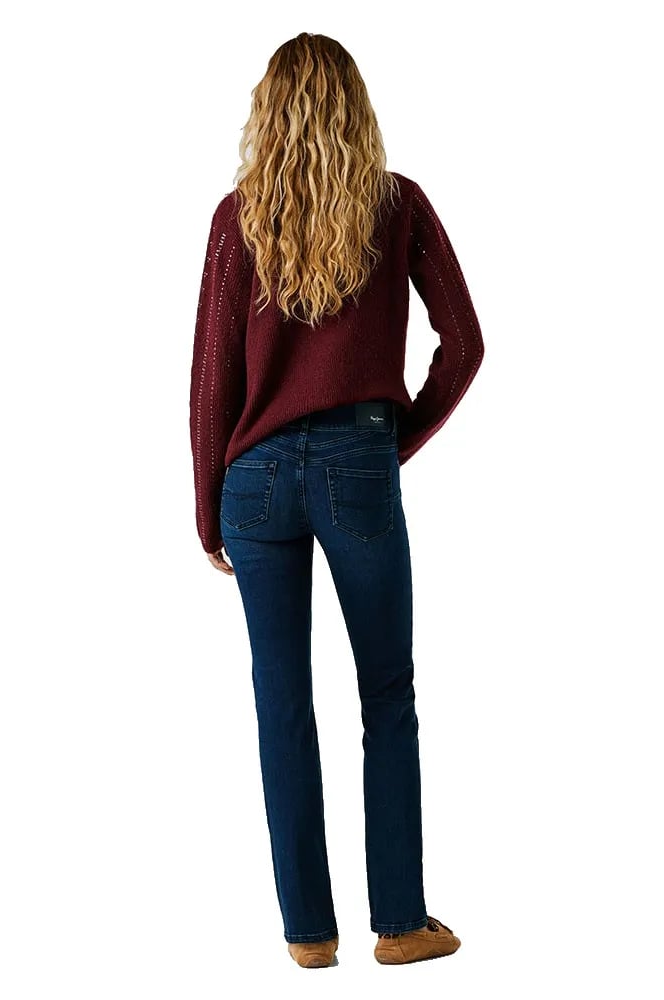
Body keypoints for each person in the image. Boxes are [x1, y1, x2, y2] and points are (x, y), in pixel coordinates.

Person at [188, 32, 485, 968]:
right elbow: (465, 344)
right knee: (386, 693)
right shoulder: (398, 207)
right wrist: (390, 443)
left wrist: (206, 506)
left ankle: (309, 936)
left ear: (267, 113)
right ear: (356, 109)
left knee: (281, 702)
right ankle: (398, 923)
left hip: (255, 481)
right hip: (358, 466)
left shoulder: (238, 219)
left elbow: (211, 379)